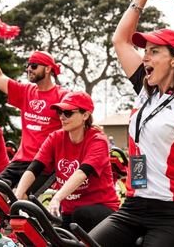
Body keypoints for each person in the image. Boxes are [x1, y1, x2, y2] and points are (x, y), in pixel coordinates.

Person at [89, 0, 174, 247]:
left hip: (172, 212)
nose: (145, 57)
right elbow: (120, 40)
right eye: (145, 51)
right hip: (133, 206)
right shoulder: (146, 91)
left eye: (154, 51)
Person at [0, 27, 68, 193]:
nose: (29, 69)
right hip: (19, 162)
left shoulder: (63, 96)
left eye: (34, 66)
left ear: (48, 69)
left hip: (44, 165)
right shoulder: (25, 92)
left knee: (21, 200)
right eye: (28, 65)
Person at [15, 91, 119, 231]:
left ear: (85, 115)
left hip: (101, 209)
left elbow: (81, 174)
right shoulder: (55, 137)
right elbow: (34, 168)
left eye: (68, 113)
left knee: (80, 215)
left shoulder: (98, 140)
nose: (62, 117)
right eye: (59, 112)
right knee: (49, 234)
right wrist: (17, 197)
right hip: (69, 212)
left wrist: (57, 198)